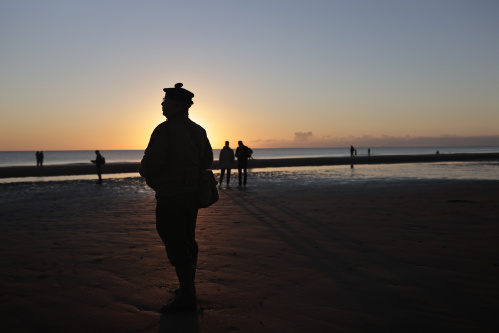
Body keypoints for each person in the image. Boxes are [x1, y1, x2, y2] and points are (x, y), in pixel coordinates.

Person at [139, 83, 213, 312]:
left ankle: (187, 295)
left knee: (175, 241)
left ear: (177, 104)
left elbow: (151, 164)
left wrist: (151, 175)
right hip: (191, 196)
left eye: (165, 101)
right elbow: (207, 161)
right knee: (188, 240)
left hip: (171, 196)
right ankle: (187, 289)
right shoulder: (198, 130)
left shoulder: (165, 129)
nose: (162, 104)